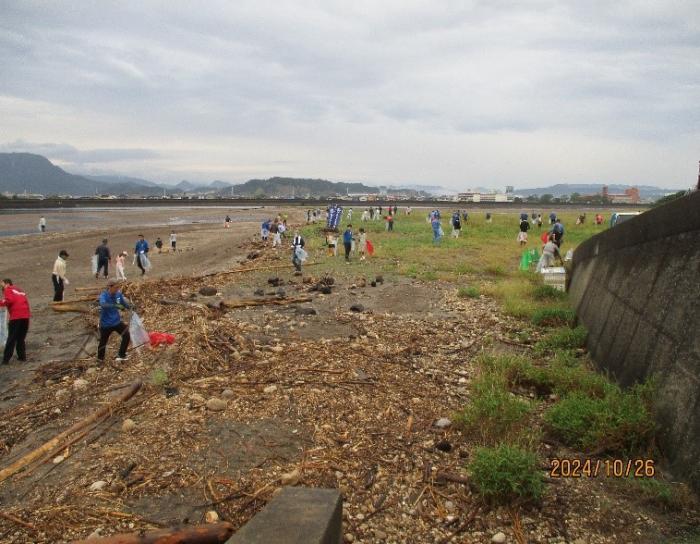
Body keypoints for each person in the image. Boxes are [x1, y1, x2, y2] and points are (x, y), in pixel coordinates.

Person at [97, 280, 132, 363]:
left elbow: (123, 303)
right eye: (115, 287)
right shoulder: (104, 295)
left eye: (118, 287)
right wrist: (115, 305)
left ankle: (121, 355)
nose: (117, 289)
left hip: (116, 322)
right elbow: (103, 304)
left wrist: (130, 307)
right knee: (103, 342)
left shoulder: (118, 294)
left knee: (126, 335)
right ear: (110, 287)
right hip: (106, 324)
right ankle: (100, 360)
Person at [0, 279, 30, 365]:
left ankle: (6, 360)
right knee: (21, 338)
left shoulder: (8, 289)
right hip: (25, 316)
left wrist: (1, 302)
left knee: (11, 338)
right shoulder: (20, 290)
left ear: (7, 283)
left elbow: (9, 300)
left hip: (16, 316)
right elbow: (25, 302)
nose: (2, 286)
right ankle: (22, 357)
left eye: (2, 284)